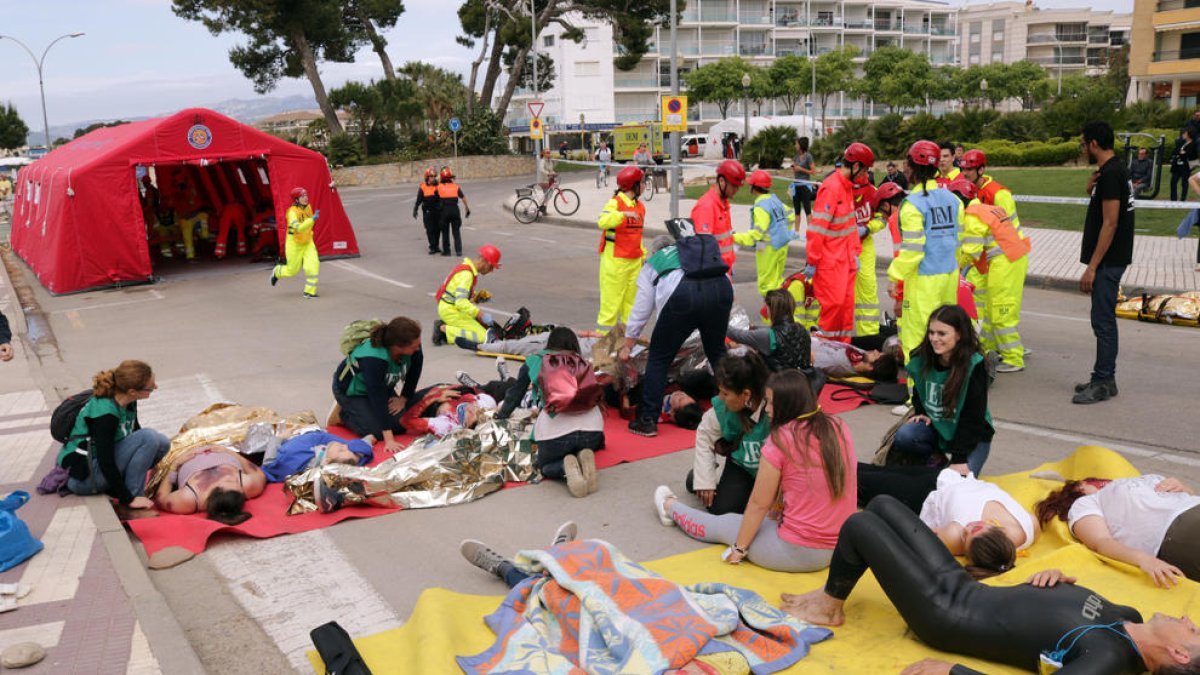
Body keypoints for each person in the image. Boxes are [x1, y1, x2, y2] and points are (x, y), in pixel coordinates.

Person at [781, 495, 1200, 675]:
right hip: (966, 587)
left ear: (1179, 653)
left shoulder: (1107, 661)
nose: (1187, 617)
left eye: (1192, 630)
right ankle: (831, 595)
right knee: (884, 506)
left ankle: (828, 605)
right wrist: (1057, 580)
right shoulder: (1129, 618)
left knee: (860, 525)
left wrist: (954, 671)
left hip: (944, 611)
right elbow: (1066, 614)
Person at [655, 369, 856, 573]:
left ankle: (668, 506)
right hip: (840, 545)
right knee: (761, 517)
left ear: (786, 405)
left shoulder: (780, 441)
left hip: (799, 551)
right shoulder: (838, 426)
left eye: (769, 402)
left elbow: (759, 503)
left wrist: (739, 548)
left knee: (724, 524)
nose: (766, 408)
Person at [623, 235, 734, 438]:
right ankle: (738, 410)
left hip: (684, 296)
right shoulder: (698, 255)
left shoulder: (653, 263)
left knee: (659, 357)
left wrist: (628, 344)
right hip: (722, 288)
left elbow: (641, 309)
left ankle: (647, 420)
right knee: (717, 354)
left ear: (654, 252)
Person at [496, 327, 605, 498]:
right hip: (592, 434)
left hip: (556, 434)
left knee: (544, 465)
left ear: (550, 343)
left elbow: (515, 394)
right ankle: (582, 456)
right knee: (581, 443)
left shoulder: (534, 361)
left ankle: (564, 466)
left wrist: (501, 415)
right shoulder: (582, 362)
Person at [1035, 475, 1200, 587]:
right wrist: (1145, 560)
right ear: (1080, 487)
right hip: (1176, 531)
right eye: (1091, 481)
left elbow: (1188, 496)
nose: (1100, 481)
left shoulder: (1140, 478)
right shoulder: (1085, 504)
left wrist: (1183, 486)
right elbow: (1102, 542)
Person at [887, 140, 964, 378]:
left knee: (918, 338)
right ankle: (944, 387)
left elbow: (912, 250)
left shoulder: (912, 205)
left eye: (907, 163)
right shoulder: (954, 199)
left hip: (923, 280)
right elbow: (958, 242)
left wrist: (894, 276)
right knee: (946, 337)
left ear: (912, 166)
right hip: (949, 275)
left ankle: (917, 398)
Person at [58, 360, 171, 518]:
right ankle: (130, 505)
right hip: (85, 478)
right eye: (150, 388)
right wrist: (127, 497)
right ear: (132, 391)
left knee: (162, 443)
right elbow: (106, 461)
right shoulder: (105, 414)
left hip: (101, 469)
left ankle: (126, 490)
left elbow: (134, 436)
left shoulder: (128, 401)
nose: (155, 387)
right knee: (149, 436)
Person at [891, 304, 994, 477]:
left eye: (942, 333)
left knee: (958, 484)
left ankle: (952, 462)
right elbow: (918, 388)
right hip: (938, 428)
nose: (934, 338)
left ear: (959, 335)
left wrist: (959, 459)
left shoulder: (974, 365)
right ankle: (937, 458)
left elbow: (973, 418)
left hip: (972, 436)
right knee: (906, 435)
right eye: (931, 332)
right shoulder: (921, 356)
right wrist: (920, 411)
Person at [1075, 121, 1135, 405]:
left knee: (1103, 322)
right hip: (1110, 259)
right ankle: (1103, 378)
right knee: (1102, 320)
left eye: (1084, 143)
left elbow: (1110, 223)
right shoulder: (1111, 171)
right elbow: (1107, 208)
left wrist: (1092, 267)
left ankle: (1103, 381)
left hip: (1108, 261)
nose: (1083, 148)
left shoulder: (1112, 174)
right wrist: (1090, 188)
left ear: (1094, 144)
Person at [956, 150, 1031, 373]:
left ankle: (1013, 357)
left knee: (1000, 309)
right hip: (997, 258)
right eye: (964, 169)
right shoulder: (978, 200)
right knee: (986, 306)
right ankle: (986, 348)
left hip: (1006, 257)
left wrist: (956, 266)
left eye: (969, 169)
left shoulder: (994, 197)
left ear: (981, 169)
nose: (965, 173)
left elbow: (972, 247)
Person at [684, 353, 772, 516]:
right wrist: (705, 481)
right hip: (743, 466)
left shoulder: (775, 404)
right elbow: (705, 437)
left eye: (725, 393)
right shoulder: (723, 409)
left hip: (775, 471)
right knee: (723, 511)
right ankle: (698, 478)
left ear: (746, 394)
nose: (720, 397)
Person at [807, 143, 875, 343]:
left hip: (846, 260)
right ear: (855, 166)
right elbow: (817, 228)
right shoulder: (832, 188)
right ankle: (826, 354)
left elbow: (850, 224)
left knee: (846, 310)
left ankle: (841, 352)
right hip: (830, 262)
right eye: (864, 170)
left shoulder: (847, 187)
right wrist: (812, 260)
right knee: (833, 307)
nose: (865, 175)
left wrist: (855, 251)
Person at [918, 468, 1038, 577]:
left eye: (965, 538)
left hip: (937, 486)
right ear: (992, 524)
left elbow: (919, 535)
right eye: (975, 528)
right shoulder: (1028, 526)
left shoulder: (954, 536)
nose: (965, 530)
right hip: (967, 476)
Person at [332, 316, 424, 454]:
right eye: (413, 346)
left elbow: (414, 373)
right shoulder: (374, 359)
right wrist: (389, 439)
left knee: (402, 424)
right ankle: (344, 413)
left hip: (382, 386)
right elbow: (377, 396)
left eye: (418, 344)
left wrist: (403, 399)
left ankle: (365, 414)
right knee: (377, 432)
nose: (418, 348)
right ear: (398, 347)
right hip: (352, 391)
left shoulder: (414, 348)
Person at [153, 445, 266, 524]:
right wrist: (229, 452)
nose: (218, 481)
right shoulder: (247, 485)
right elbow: (258, 473)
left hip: (184, 450)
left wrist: (174, 465)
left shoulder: (189, 499)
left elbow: (161, 499)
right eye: (226, 483)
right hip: (218, 445)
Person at [595, 166, 646, 333]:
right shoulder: (615, 202)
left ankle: (625, 344)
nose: (645, 185)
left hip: (634, 262)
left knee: (631, 307)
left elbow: (638, 234)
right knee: (610, 307)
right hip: (615, 263)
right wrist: (622, 215)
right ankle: (603, 349)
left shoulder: (640, 207)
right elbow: (603, 221)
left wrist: (643, 256)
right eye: (642, 182)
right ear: (634, 185)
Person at [734, 170, 795, 298]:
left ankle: (772, 312)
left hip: (767, 249)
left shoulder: (760, 207)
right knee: (777, 280)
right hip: (781, 245)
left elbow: (757, 235)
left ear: (754, 187)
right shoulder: (774, 200)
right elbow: (791, 216)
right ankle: (781, 308)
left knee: (766, 284)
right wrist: (782, 231)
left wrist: (734, 237)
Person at [433, 245, 503, 349]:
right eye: (491, 267)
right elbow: (460, 302)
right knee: (483, 337)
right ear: (484, 261)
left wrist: (476, 297)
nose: (491, 270)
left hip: (449, 307)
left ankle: (446, 325)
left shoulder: (466, 268)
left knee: (481, 327)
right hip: (451, 310)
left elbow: (457, 293)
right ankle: (445, 330)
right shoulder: (467, 275)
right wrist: (480, 314)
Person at [726, 289, 811, 373]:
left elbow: (737, 335)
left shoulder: (768, 336)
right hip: (803, 380)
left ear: (772, 310)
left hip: (779, 383)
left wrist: (721, 321)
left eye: (766, 307)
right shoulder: (801, 329)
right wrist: (755, 328)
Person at [690, 159, 745, 271]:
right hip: (714, 274)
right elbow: (702, 249)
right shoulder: (706, 206)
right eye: (734, 186)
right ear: (721, 181)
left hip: (725, 270)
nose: (736, 190)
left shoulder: (724, 204)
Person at [261, 429, 374, 482]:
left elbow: (269, 463)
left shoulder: (297, 459)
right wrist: (368, 441)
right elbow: (360, 448)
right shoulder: (351, 459)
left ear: (328, 461)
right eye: (344, 448)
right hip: (309, 438)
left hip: (284, 447)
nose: (343, 446)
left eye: (340, 450)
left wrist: (279, 438)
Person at [270, 186, 320, 298]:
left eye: (306, 195)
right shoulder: (291, 212)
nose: (306, 198)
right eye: (302, 196)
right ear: (296, 200)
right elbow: (299, 228)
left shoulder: (308, 208)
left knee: (313, 265)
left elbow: (308, 226)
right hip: (294, 244)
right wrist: (312, 220)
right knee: (292, 270)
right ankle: (278, 271)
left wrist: (311, 222)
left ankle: (309, 292)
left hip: (307, 242)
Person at [851, 169, 881, 337]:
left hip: (864, 245)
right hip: (842, 245)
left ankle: (869, 336)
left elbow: (882, 218)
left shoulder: (872, 192)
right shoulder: (840, 189)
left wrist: (868, 228)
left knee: (867, 292)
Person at [436, 167, 470, 258]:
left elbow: (435, 198)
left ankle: (447, 251)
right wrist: (467, 209)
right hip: (455, 210)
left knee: (445, 232)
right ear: (451, 178)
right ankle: (458, 251)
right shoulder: (456, 186)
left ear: (442, 178)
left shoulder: (439, 187)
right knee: (456, 231)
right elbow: (463, 198)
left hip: (444, 211)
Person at [412, 167, 441, 255]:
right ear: (427, 177)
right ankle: (432, 247)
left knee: (437, 229)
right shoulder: (423, 187)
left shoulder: (438, 186)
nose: (433, 178)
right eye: (431, 176)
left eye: (434, 176)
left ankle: (436, 246)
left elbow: (442, 197)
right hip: (427, 212)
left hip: (437, 211)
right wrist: (415, 209)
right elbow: (419, 199)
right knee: (430, 229)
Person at [791, 137, 817, 226]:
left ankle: (810, 232)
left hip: (805, 185)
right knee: (797, 210)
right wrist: (794, 168)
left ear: (801, 145)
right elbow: (795, 170)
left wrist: (801, 169)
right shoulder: (796, 157)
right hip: (796, 186)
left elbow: (813, 172)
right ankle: (796, 233)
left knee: (807, 210)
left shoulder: (808, 156)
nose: (795, 146)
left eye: (796, 144)